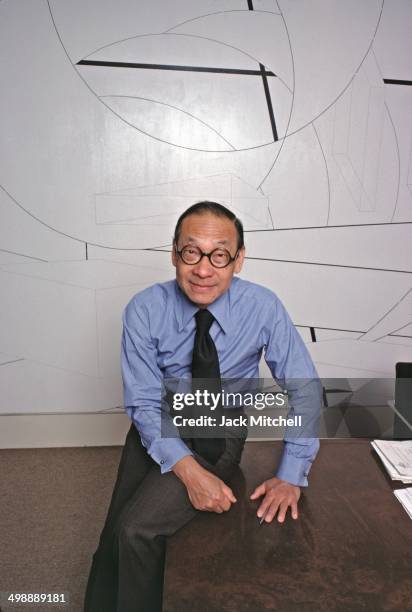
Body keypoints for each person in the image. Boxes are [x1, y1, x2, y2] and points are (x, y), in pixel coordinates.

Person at [84, 201, 321, 612]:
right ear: (174, 253)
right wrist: (190, 474)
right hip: (159, 420)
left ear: (238, 260)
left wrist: (291, 473)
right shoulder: (144, 308)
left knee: (137, 530)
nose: (204, 269)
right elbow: (143, 400)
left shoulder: (263, 306)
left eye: (219, 255)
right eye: (191, 252)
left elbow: (305, 387)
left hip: (218, 425)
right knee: (113, 536)